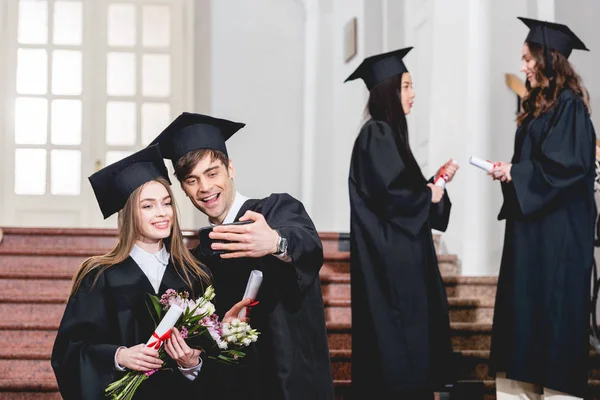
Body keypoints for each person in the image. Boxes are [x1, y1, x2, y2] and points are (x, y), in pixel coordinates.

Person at [149, 113, 334, 400]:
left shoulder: (274, 212)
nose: (205, 188)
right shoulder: (197, 260)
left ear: (230, 168)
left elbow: (308, 245)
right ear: (184, 189)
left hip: (289, 380)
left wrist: (275, 242)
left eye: (212, 173)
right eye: (192, 180)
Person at [51, 146, 249, 399]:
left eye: (166, 203)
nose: (162, 213)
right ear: (129, 213)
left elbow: (217, 359)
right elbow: (69, 351)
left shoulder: (195, 274)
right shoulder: (100, 276)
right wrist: (119, 356)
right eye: (148, 206)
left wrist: (192, 365)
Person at [489, 17, 596, 400]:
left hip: (557, 244)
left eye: (527, 58)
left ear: (549, 60)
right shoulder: (537, 108)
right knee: (521, 336)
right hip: (531, 240)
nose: (522, 68)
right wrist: (512, 172)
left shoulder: (570, 108)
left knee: (551, 340)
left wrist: (517, 172)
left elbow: (566, 166)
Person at [345, 47, 458, 399]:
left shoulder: (390, 137)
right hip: (389, 264)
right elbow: (393, 195)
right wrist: (428, 195)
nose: (413, 94)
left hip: (402, 258)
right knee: (398, 353)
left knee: (411, 350)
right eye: (406, 86)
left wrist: (435, 186)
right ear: (388, 91)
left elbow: (406, 191)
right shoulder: (376, 134)